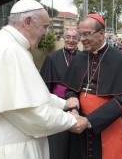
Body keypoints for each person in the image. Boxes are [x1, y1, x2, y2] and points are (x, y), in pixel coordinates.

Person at [0, 0, 87, 159]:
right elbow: (33, 113)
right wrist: (71, 120)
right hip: (3, 151)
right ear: (28, 22)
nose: (46, 33)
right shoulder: (9, 51)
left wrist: (63, 103)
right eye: (45, 26)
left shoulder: (2, 42)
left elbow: (29, 95)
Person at [62, 13, 122, 159]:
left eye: (86, 34)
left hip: (108, 124)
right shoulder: (80, 57)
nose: (82, 39)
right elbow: (70, 90)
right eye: (80, 34)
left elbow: (119, 101)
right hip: (78, 123)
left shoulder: (120, 58)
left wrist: (90, 121)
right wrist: (73, 110)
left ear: (101, 33)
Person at [40, 28, 80, 159]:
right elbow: (45, 85)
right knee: (58, 142)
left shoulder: (84, 58)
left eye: (74, 37)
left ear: (78, 39)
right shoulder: (52, 57)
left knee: (76, 141)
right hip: (58, 105)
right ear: (63, 38)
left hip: (78, 105)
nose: (71, 40)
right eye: (68, 37)